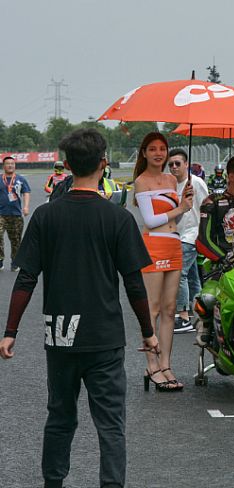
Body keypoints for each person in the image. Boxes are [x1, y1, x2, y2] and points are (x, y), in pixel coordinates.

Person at [0, 128, 159, 488]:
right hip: (104, 337)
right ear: (104, 163)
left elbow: (26, 279)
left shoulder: (45, 216)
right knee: (111, 424)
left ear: (67, 164)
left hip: (60, 336)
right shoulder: (118, 219)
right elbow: (134, 284)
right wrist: (148, 333)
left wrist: (10, 332)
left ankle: (53, 483)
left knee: (60, 417)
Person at [133, 132, 194, 391]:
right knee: (153, 309)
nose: (159, 153)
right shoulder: (141, 181)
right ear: (144, 153)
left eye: (162, 148)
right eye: (153, 149)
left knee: (170, 309)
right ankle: (151, 365)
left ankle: (166, 364)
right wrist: (179, 208)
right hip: (153, 245)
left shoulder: (172, 179)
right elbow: (150, 220)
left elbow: (173, 221)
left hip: (173, 242)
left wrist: (185, 203)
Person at [168, 148, 209, 334]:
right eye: (171, 164)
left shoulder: (196, 182)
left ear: (186, 164)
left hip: (192, 235)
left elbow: (206, 207)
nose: (174, 167)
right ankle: (201, 312)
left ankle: (183, 316)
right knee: (192, 277)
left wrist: (202, 235)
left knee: (179, 273)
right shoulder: (172, 184)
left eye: (178, 163)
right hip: (178, 233)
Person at [0, 156, 31, 271]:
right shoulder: (0, 179)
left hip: (16, 215)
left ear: (15, 165)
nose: (10, 165)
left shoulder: (20, 179)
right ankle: (0, 260)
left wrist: (26, 206)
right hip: (1, 214)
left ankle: (15, 262)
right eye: (7, 163)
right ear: (4, 166)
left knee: (16, 240)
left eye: (12, 163)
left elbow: (26, 192)